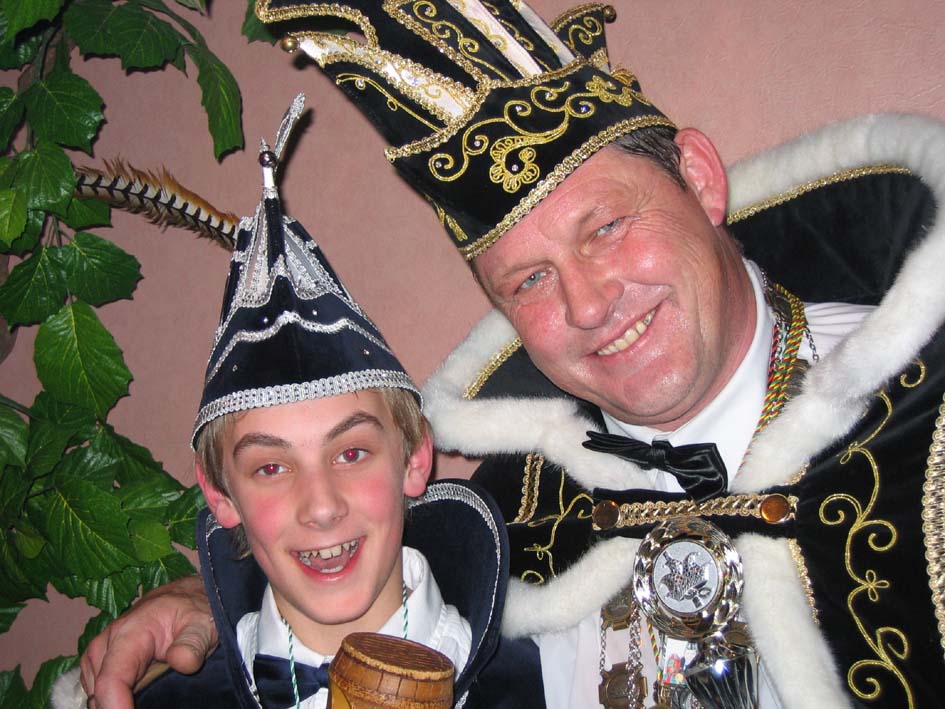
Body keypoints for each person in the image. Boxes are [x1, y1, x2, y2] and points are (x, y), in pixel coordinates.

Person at [79, 2, 945, 708]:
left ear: (699, 178)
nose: (587, 304)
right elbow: (343, 546)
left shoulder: (924, 414)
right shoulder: (515, 514)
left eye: (606, 227)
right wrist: (210, 604)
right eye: (528, 279)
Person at [55, 94, 542, 709]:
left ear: (416, 457)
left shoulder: (551, 684)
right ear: (219, 494)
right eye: (271, 467)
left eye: (352, 453)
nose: (321, 507)